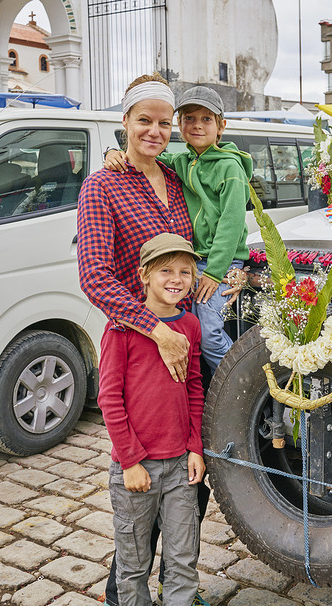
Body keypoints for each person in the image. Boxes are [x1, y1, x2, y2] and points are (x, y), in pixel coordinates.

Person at [77, 74, 212, 606]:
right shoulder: (102, 185)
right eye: (144, 120)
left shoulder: (176, 180)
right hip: (140, 342)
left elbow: (192, 250)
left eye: (163, 122)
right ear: (125, 123)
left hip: (185, 334)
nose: (154, 131)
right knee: (140, 494)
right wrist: (155, 329)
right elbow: (95, 276)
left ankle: (177, 584)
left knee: (186, 477)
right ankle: (124, 592)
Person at [105, 85, 251, 375]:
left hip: (215, 266)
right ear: (180, 125)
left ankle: (240, 384)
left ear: (222, 126)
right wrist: (112, 152)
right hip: (189, 275)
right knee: (199, 334)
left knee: (208, 335)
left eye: (206, 119)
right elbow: (147, 158)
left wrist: (218, 271)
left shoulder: (230, 168)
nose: (197, 125)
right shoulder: (181, 163)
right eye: (189, 118)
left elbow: (232, 224)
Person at [99, 233, 205, 606]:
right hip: (136, 468)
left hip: (179, 466)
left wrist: (195, 448)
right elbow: (109, 398)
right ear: (144, 274)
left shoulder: (190, 325)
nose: (176, 279)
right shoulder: (120, 329)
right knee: (133, 563)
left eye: (185, 272)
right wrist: (129, 461)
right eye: (165, 270)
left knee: (182, 558)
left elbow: (194, 387)